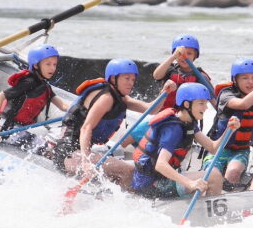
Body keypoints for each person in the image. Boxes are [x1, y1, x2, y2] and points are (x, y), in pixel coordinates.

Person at [53, 58, 170, 188]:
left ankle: (117, 197)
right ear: (114, 79)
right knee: (128, 171)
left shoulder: (121, 98)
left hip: (79, 152)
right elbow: (86, 128)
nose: (131, 83)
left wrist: (165, 92)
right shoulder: (106, 98)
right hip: (68, 153)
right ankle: (126, 201)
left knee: (115, 176)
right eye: (127, 78)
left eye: (133, 79)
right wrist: (86, 161)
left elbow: (151, 109)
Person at [131, 82, 240, 199]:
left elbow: (213, 148)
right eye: (201, 103)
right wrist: (190, 183)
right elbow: (160, 165)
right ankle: (212, 214)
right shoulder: (173, 129)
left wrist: (229, 130)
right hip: (151, 184)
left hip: (160, 179)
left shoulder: (188, 123)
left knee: (207, 179)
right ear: (187, 104)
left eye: (206, 103)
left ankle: (203, 208)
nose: (206, 107)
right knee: (215, 176)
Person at [203, 58, 253, 185]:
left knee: (233, 171)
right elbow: (243, 104)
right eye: (245, 78)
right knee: (212, 173)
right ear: (235, 80)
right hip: (218, 147)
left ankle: (228, 199)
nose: (250, 82)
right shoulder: (226, 95)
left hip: (240, 151)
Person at [0, 44, 69, 154]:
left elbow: (63, 106)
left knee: (50, 149)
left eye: (54, 64)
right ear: (36, 65)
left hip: (21, 129)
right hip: (8, 129)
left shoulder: (45, 86)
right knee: (46, 150)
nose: (52, 68)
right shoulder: (28, 82)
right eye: (48, 64)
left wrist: (82, 109)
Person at [152, 34, 213, 109]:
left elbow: (213, 100)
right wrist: (173, 56)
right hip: (166, 114)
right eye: (180, 54)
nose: (185, 57)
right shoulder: (169, 69)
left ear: (195, 55)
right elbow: (156, 75)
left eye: (189, 53)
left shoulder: (201, 76)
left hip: (188, 117)